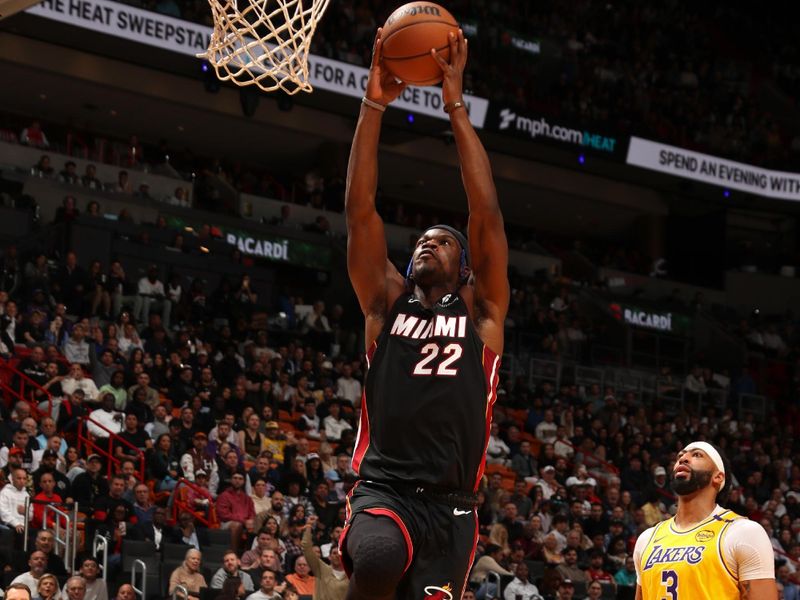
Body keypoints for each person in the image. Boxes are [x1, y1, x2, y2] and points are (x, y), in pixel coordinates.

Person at [341, 28, 508, 600]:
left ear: (465, 268)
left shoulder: (482, 313)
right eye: (421, 240)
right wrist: (373, 105)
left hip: (451, 506)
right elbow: (360, 211)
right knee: (381, 557)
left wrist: (455, 106)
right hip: (383, 488)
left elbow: (484, 211)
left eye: (443, 241)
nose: (426, 244)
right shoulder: (385, 304)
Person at [633, 442, 776, 599]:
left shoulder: (742, 532)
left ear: (718, 477)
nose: (683, 458)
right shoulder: (647, 538)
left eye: (697, 455)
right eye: (680, 455)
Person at [301, 515, 348, 600]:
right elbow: (306, 548)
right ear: (329, 557)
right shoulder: (321, 569)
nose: (337, 555)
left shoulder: (351, 575)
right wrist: (308, 526)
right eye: (334, 553)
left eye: (339, 553)